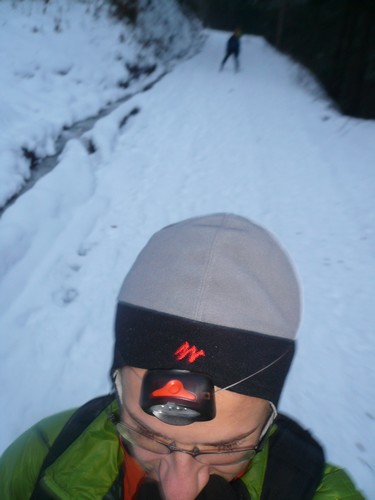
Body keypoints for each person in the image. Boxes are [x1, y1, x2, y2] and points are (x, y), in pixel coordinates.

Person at [0, 213, 364, 499]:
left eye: (226, 447)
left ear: (269, 421)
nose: (179, 490)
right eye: (146, 434)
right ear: (118, 391)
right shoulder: (43, 455)